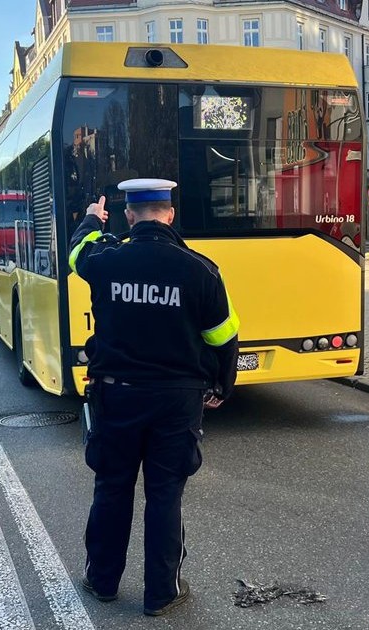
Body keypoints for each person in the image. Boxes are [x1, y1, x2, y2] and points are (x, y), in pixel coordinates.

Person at [70, 178, 239, 616]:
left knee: (112, 488)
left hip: (117, 397)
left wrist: (92, 217)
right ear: (170, 214)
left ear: (129, 216)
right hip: (177, 401)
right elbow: (224, 336)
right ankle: (162, 593)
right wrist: (222, 384)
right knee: (165, 494)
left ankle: (102, 580)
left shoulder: (105, 259)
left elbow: (77, 252)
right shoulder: (201, 269)